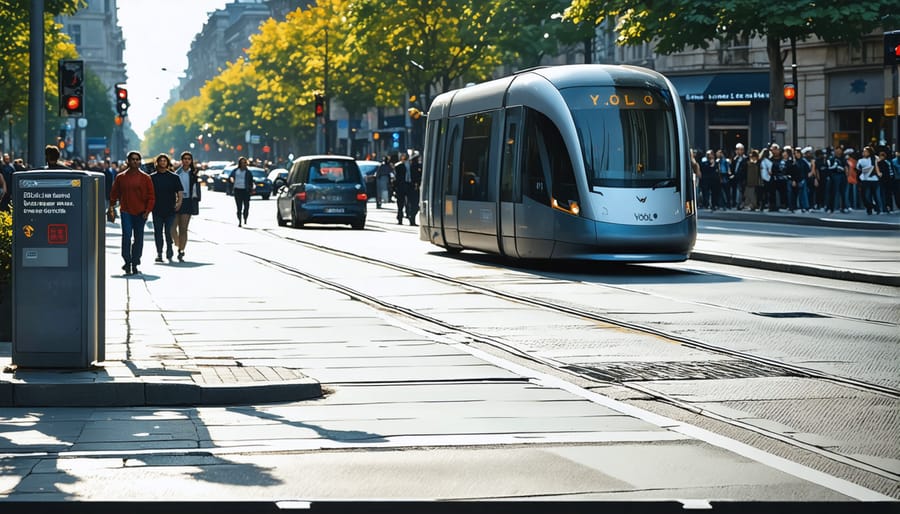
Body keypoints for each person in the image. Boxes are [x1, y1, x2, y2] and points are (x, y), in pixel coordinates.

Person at [109, 151, 155, 276]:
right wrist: (111, 207)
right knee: (126, 236)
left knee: (139, 238)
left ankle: (135, 261)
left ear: (140, 161)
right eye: (133, 159)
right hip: (126, 211)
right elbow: (114, 194)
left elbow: (151, 196)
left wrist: (147, 211)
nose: (135, 161)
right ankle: (127, 261)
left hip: (141, 212)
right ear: (128, 161)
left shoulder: (146, 178)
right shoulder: (121, 177)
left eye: (137, 159)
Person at [150, 153, 183, 263]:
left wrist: (179, 203)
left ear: (167, 163)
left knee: (168, 232)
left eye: (165, 161)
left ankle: (169, 249)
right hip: (157, 209)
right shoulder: (152, 177)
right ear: (157, 163)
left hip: (170, 209)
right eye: (161, 161)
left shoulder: (174, 177)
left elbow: (180, 192)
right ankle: (159, 253)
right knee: (158, 232)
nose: (163, 162)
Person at [173, 151, 201, 261]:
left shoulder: (193, 174)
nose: (186, 160)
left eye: (189, 159)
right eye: (184, 158)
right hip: (176, 201)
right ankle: (177, 242)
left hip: (188, 202)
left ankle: (181, 250)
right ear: (181, 160)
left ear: (191, 161)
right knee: (172, 228)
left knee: (183, 228)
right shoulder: (176, 173)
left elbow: (196, 189)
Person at [856, 146, 881, 215]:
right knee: (866, 195)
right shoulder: (860, 160)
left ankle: (877, 208)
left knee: (876, 195)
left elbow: (879, 164)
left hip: (874, 179)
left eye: (866, 151)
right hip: (865, 179)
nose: (864, 153)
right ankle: (869, 207)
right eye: (863, 151)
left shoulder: (875, 158)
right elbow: (858, 168)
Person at [231, 156, 255, 226]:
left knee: (246, 206)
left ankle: (245, 217)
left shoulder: (248, 172)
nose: (243, 164)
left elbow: (251, 181)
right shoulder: (235, 171)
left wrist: (251, 188)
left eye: (245, 163)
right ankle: (239, 221)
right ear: (239, 164)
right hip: (237, 190)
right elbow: (231, 177)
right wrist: (232, 180)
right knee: (239, 207)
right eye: (242, 163)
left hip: (246, 191)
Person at [406, 150, 422, 226]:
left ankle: (411, 218)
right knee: (414, 204)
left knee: (413, 204)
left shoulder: (412, 166)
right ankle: (411, 219)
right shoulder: (414, 167)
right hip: (413, 188)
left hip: (412, 187)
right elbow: (416, 177)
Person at [393, 152, 409, 224]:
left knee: (406, 203)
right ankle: (400, 217)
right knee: (401, 204)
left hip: (405, 186)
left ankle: (407, 216)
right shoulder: (398, 166)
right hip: (402, 187)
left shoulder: (410, 165)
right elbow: (396, 178)